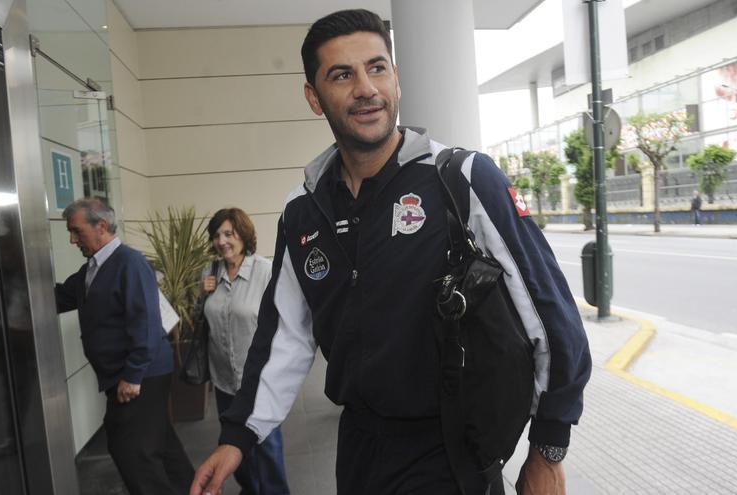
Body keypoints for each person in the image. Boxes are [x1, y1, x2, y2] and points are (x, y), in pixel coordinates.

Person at [191, 9, 591, 495]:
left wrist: (548, 449)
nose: (365, 87)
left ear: (396, 81)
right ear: (314, 98)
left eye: (377, 68)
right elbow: (286, 336)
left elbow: (550, 317)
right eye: (342, 74)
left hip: (454, 449)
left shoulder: (462, 180)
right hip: (361, 448)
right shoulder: (303, 213)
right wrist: (238, 436)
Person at [54, 198, 194, 495]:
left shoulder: (129, 263)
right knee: (161, 444)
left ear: (101, 226)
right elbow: (59, 297)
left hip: (139, 376)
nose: (71, 239)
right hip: (127, 375)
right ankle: (195, 490)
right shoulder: (90, 270)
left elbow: (145, 323)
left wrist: (132, 375)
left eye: (76, 231)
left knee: (133, 453)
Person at [200, 208, 290, 494]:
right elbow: (201, 321)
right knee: (235, 449)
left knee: (267, 450)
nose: (222, 241)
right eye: (217, 235)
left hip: (259, 380)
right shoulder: (210, 272)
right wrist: (202, 296)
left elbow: (283, 320)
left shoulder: (264, 270)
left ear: (243, 234)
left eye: (229, 233)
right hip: (225, 380)